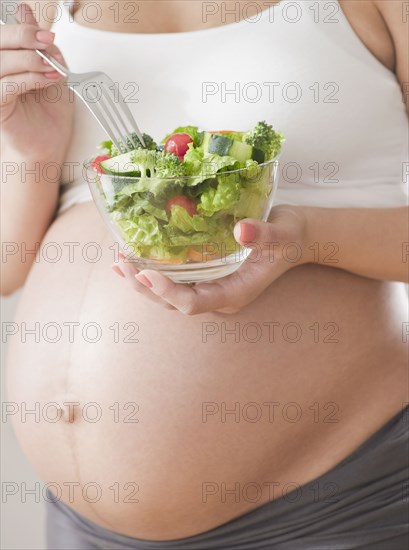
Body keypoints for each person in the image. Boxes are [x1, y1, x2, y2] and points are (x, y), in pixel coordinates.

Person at [1, 0, 408, 548]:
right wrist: (33, 154)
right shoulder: (46, 8)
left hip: (329, 509)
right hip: (84, 530)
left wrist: (306, 239)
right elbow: (9, 267)